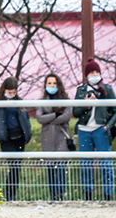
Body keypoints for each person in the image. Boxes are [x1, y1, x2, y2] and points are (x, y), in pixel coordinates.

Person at [73, 58, 116, 201]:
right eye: (92, 72)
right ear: (87, 75)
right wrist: (86, 104)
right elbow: (76, 112)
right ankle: (88, 196)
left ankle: (108, 196)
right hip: (84, 130)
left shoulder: (107, 89)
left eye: (97, 72)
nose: (95, 75)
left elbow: (115, 111)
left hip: (100, 130)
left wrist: (108, 126)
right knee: (85, 164)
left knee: (106, 164)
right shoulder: (81, 91)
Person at [0, 77, 32, 202]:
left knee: (17, 168)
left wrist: (28, 132)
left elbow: (26, 119)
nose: (12, 94)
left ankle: (12, 196)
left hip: (19, 137)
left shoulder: (20, 102)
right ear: (4, 89)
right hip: (6, 138)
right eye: (9, 92)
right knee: (13, 165)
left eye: (14, 92)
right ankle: (10, 195)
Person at [35, 74, 72, 201]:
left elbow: (66, 117)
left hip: (61, 137)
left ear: (58, 85)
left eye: (54, 83)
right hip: (48, 138)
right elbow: (39, 118)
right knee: (50, 168)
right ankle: (53, 195)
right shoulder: (42, 101)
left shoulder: (65, 100)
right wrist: (55, 115)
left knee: (61, 166)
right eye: (49, 83)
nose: (52, 86)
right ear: (45, 85)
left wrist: (49, 119)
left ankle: (61, 195)